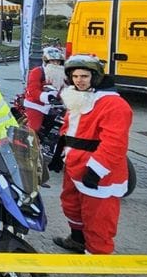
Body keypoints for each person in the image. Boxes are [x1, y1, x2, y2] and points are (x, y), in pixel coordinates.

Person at [50, 54, 132, 255]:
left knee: (99, 217)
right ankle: (77, 240)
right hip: (75, 164)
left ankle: (98, 256)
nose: (79, 80)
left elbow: (114, 144)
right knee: (71, 205)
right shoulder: (77, 96)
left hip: (98, 171)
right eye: (76, 76)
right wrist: (58, 155)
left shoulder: (114, 105)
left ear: (95, 77)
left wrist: (95, 171)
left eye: (84, 76)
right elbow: (69, 130)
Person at [23, 46, 68, 133]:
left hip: (56, 106)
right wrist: (47, 97)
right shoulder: (37, 71)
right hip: (36, 105)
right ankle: (27, 143)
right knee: (34, 128)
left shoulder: (63, 74)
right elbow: (33, 90)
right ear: (46, 61)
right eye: (52, 61)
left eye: (58, 61)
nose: (55, 64)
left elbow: (66, 87)